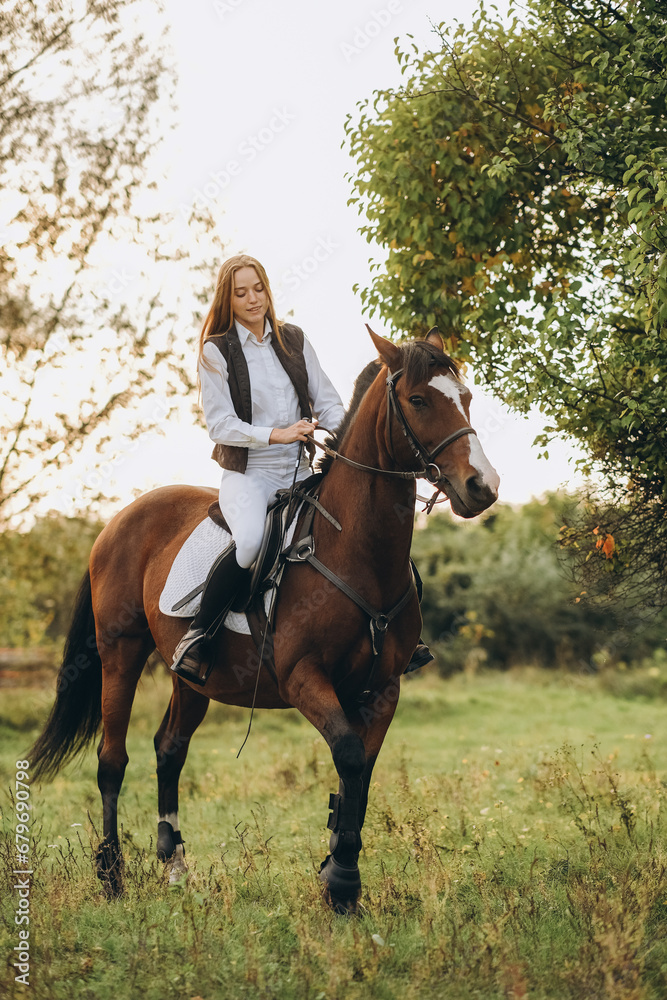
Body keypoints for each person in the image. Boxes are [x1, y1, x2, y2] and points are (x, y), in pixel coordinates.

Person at [171, 253, 433, 684]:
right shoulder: (216, 351)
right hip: (249, 476)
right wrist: (278, 434)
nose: (253, 299)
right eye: (241, 293)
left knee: (366, 532)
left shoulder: (293, 339)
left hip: (300, 472)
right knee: (252, 542)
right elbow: (220, 424)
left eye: (258, 289)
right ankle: (199, 635)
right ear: (228, 299)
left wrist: (343, 433)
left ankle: (404, 637)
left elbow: (327, 400)